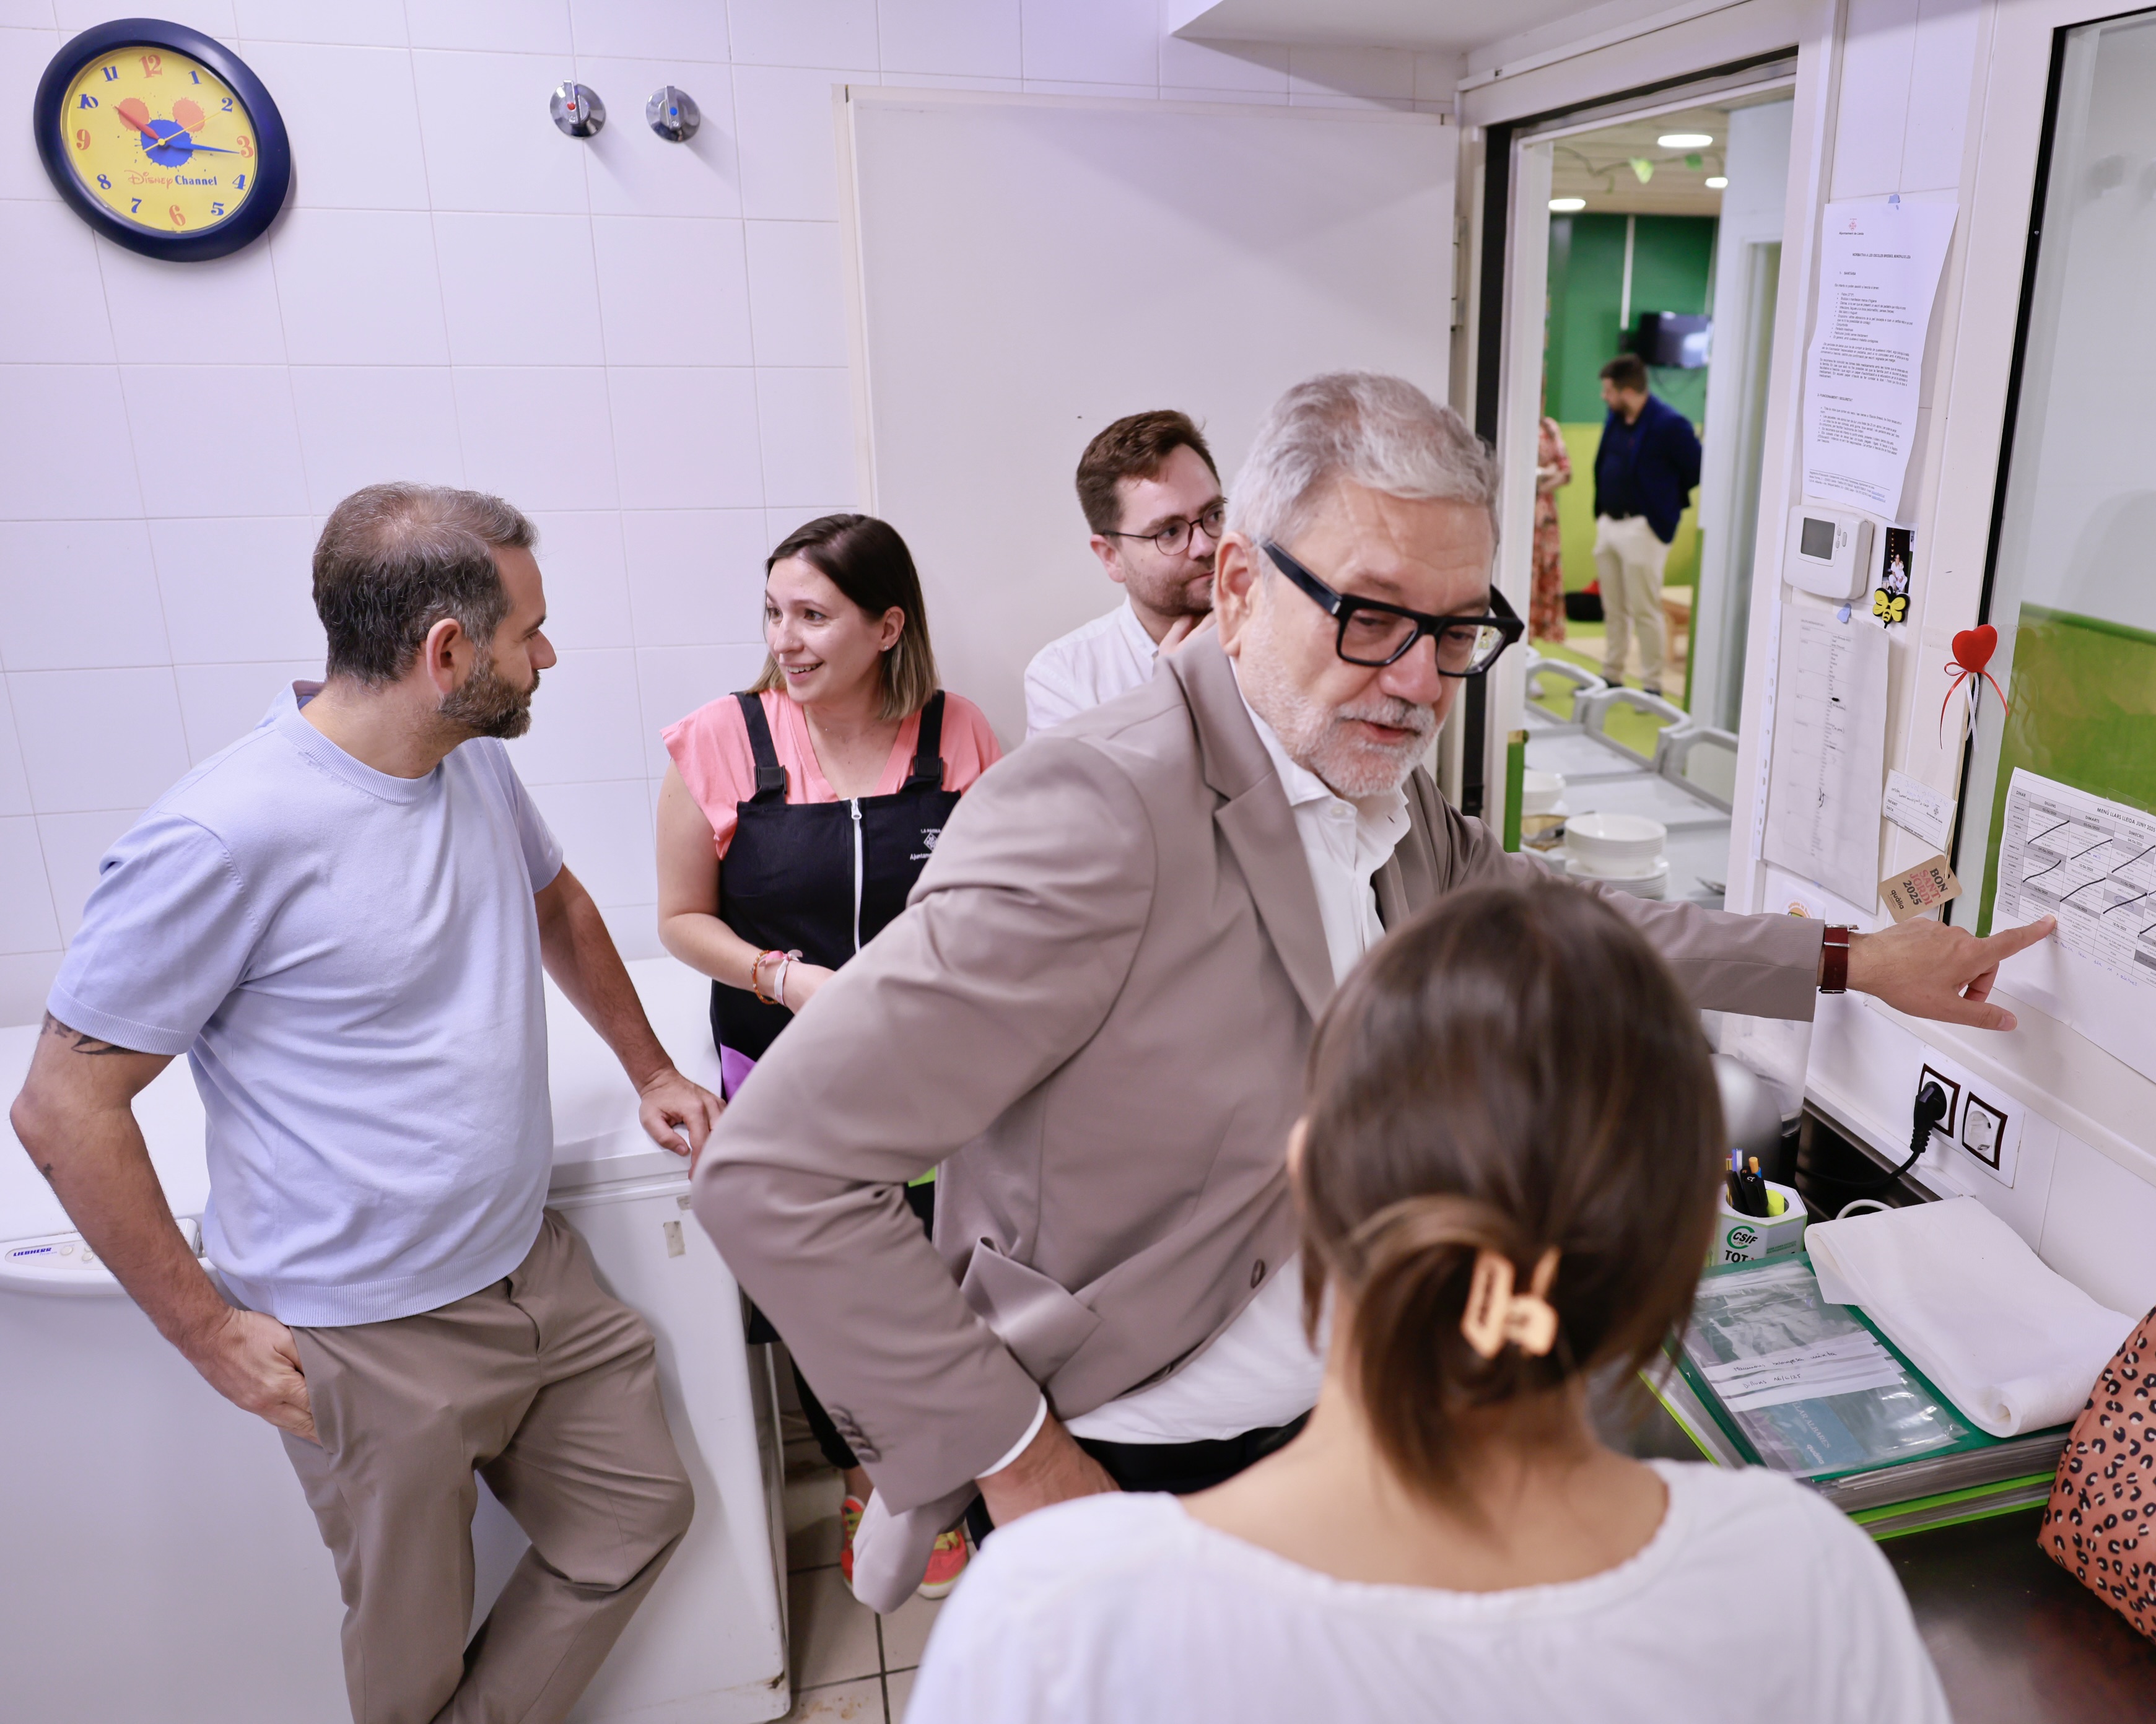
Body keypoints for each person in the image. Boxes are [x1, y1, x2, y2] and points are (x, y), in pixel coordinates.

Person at [694, 372, 2053, 1612]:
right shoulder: (1100, 811)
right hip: (1128, 1461)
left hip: (1322, 1435)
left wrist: (1849, 959)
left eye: (1458, 633)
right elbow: (776, 1171)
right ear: (1234, 586)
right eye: (1370, 617)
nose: (1417, 682)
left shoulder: (1377, 799)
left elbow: (1563, 921)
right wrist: (1021, 1463)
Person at [904, 883, 1952, 1723]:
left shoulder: (1058, 1618)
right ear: (1680, 1250)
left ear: (1309, 1176)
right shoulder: (1801, 1579)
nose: (1417, 678)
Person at [9, 484, 718, 1724]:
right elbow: (64, 1107)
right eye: (529, 633)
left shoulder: (469, 764)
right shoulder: (224, 835)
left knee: (639, 1512)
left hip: (530, 1269)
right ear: (447, 654)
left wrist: (653, 1068)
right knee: (409, 1666)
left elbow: (556, 905)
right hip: (371, 1333)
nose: (547, 654)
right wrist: (205, 1330)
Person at [655, 513, 1002, 1599]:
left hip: (933, 1073)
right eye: (774, 612)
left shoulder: (959, 734)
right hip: (781, 1069)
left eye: (813, 614)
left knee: (944, 1269)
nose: (787, 638)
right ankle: (871, 1473)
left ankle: (957, 1464)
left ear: (887, 625)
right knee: (821, 1289)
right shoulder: (723, 737)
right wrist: (786, 976)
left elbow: (995, 893)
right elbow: (678, 917)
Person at [1022, 409, 1227, 733]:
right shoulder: (1065, 677)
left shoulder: (1287, 628)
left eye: (1214, 515)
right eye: (1170, 532)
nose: (1205, 546)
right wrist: (1167, 702)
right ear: (1111, 557)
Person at [1592, 352, 1704, 697]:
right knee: (1613, 608)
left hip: (1644, 528)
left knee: (1645, 608)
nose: (1603, 397)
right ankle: (1611, 674)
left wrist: (1664, 506)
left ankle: (1652, 685)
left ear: (1627, 391)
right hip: (1609, 523)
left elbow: (1696, 470)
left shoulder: (1669, 424)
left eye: (1608, 391)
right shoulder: (1616, 417)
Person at [1531, 412, 1571, 643]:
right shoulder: (1513, 422)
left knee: (1543, 574)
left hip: (1543, 517)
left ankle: (1532, 648)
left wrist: (1539, 485)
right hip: (1519, 513)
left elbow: (1566, 472)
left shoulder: (1549, 427)